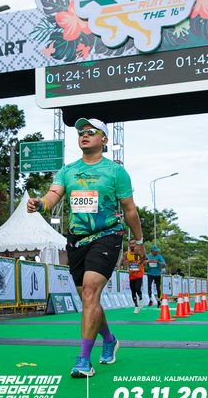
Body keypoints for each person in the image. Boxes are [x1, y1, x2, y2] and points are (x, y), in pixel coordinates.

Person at [28, 118, 145, 378]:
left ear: (104, 139)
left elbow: (129, 210)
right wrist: (40, 204)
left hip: (107, 235)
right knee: (88, 298)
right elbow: (53, 195)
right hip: (77, 240)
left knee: (91, 291)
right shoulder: (68, 171)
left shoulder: (116, 172)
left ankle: (83, 360)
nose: (84, 134)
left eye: (91, 132)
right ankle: (109, 340)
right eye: (81, 132)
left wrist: (139, 241)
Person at [124, 243, 144, 313]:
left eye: (133, 244)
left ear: (136, 245)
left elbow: (145, 259)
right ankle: (136, 306)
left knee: (137, 288)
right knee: (133, 291)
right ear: (129, 245)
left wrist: (140, 262)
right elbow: (124, 261)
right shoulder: (126, 253)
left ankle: (141, 298)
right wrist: (126, 262)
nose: (132, 245)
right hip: (131, 274)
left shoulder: (140, 252)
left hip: (139, 274)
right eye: (130, 244)